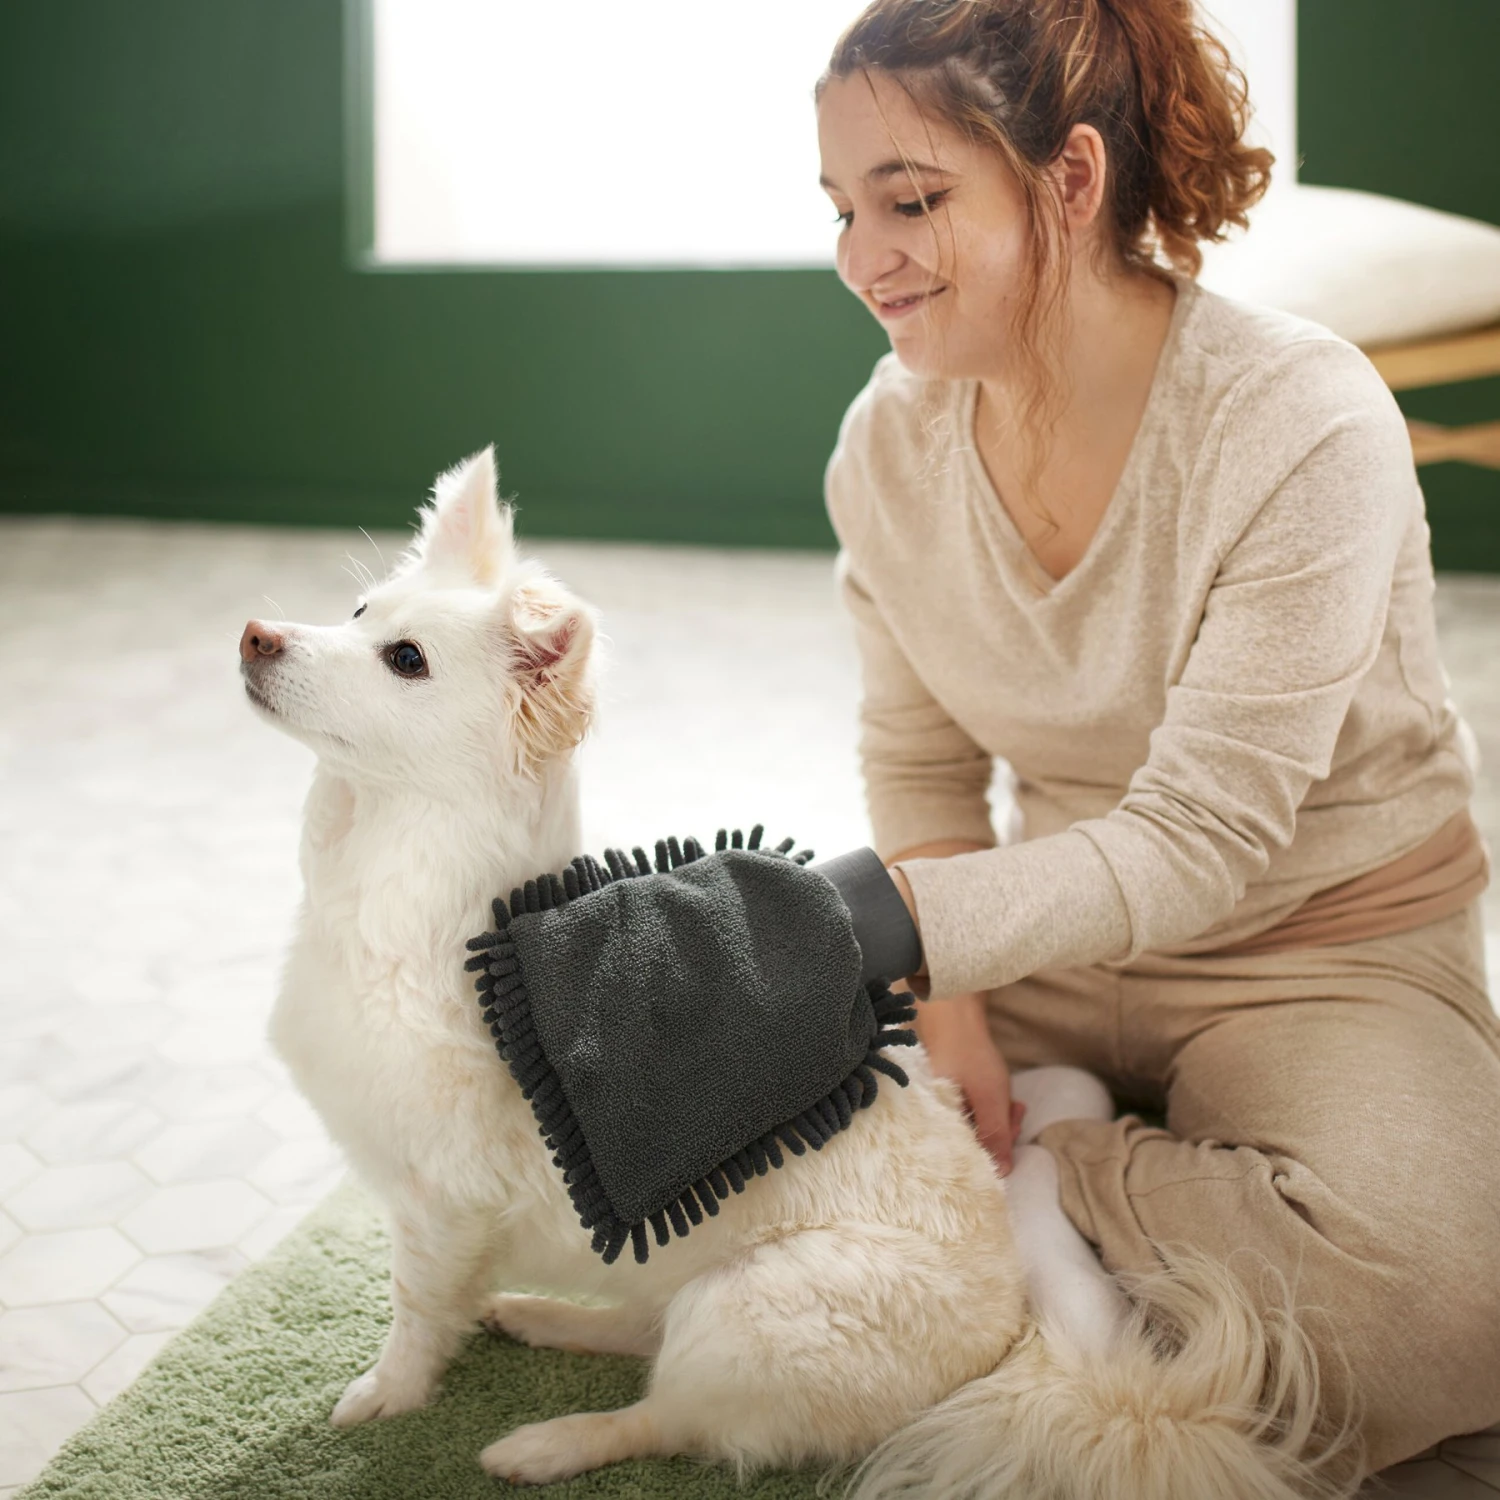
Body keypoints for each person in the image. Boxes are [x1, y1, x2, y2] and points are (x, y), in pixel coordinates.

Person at [815, 0, 1500, 1478]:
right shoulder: (887, 444)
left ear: (1069, 181)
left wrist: (903, 939)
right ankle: (1101, 1204)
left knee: (1447, 1314)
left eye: (911, 201)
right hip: (1043, 944)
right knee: (699, 1128)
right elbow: (924, 766)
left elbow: (1203, 837)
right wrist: (951, 1013)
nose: (862, 260)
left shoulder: (1300, 421)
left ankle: (1060, 1183)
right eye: (843, 209)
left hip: (1317, 943)